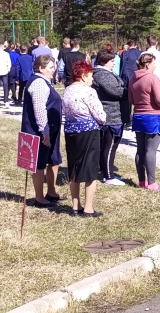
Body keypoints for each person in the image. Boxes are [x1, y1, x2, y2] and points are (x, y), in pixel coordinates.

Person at [62, 60, 106, 217]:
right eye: (90, 76)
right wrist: (102, 121)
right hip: (88, 132)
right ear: (83, 75)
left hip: (70, 132)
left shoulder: (67, 90)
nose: (92, 79)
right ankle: (88, 208)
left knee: (74, 167)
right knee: (90, 169)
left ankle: (75, 205)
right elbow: (100, 114)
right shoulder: (88, 92)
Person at [22, 55, 64, 209]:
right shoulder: (38, 82)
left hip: (50, 129)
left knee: (54, 159)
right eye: (51, 67)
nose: (54, 70)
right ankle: (39, 198)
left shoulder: (45, 82)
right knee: (39, 163)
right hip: (39, 131)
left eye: (54, 67)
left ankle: (51, 192)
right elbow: (39, 108)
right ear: (41, 68)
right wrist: (44, 131)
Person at [129, 53, 160, 191]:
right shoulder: (153, 78)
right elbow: (159, 98)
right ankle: (152, 183)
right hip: (152, 116)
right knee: (151, 150)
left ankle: (142, 181)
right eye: (153, 63)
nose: (155, 65)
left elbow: (131, 100)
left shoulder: (133, 78)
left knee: (140, 150)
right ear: (147, 64)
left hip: (138, 116)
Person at [91, 50, 128, 186]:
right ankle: (108, 175)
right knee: (110, 145)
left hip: (114, 114)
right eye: (112, 61)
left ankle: (106, 169)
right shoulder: (102, 75)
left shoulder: (106, 73)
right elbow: (116, 91)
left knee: (109, 145)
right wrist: (130, 90)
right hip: (111, 115)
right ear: (104, 62)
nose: (114, 63)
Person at [140, 36, 160, 150]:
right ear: (156, 43)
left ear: (147, 43)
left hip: (146, 86)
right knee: (159, 112)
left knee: (147, 111)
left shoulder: (143, 54)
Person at [119, 40, 142, 129]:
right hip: (137, 76)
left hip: (127, 76)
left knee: (127, 98)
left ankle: (127, 120)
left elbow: (122, 65)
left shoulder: (125, 53)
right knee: (138, 97)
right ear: (136, 45)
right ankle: (137, 117)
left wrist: (121, 77)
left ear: (128, 46)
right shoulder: (141, 53)